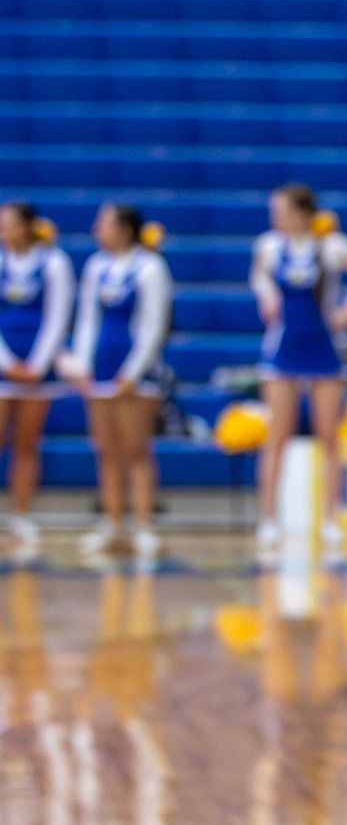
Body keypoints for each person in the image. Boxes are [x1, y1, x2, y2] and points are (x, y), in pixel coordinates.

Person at [249, 182, 347, 559]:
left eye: (282, 211)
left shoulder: (331, 247)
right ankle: (269, 519)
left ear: (302, 213)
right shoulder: (269, 246)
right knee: (277, 435)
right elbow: (259, 276)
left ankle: (330, 519)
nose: (276, 218)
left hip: (324, 348)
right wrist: (266, 296)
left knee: (330, 436)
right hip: (282, 348)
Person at [67, 203, 172, 563]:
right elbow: (87, 320)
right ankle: (112, 525)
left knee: (137, 450)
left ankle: (144, 527)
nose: (97, 229)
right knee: (106, 450)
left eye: (105, 223)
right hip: (101, 370)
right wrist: (82, 364)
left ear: (126, 229)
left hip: (137, 374)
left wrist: (133, 372)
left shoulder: (150, 267)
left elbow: (154, 326)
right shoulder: (96, 266)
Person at [0, 201, 73, 561]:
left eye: (9, 224)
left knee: (27, 443)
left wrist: (37, 365)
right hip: (4, 364)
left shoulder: (53, 262)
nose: (3, 231)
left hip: (37, 367)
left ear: (28, 226)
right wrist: (6, 363)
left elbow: (58, 316)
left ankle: (22, 515)